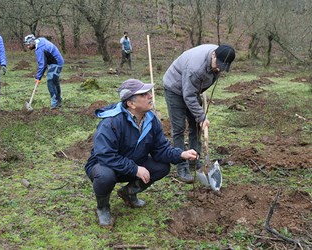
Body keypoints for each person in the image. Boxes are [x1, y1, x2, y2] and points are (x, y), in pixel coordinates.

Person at [84, 79, 199, 226]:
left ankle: (128, 193)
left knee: (162, 167)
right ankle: (103, 207)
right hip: (104, 165)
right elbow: (105, 155)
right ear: (131, 104)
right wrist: (135, 169)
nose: (150, 96)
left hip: (132, 162)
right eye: (144, 94)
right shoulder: (111, 122)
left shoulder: (151, 120)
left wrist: (180, 154)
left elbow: (160, 150)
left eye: (148, 93)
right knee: (105, 176)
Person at [163, 44, 235, 183]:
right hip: (174, 87)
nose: (219, 68)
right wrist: (201, 116)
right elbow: (188, 95)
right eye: (218, 64)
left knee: (196, 126)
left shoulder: (221, 57)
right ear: (213, 55)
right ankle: (182, 164)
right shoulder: (195, 68)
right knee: (178, 128)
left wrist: (199, 116)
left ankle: (194, 160)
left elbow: (194, 91)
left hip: (192, 89)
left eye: (223, 66)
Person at [24, 34, 64, 109]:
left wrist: (38, 77)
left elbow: (42, 65)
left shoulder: (39, 49)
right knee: (55, 82)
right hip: (58, 61)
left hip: (56, 63)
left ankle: (54, 104)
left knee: (50, 82)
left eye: (29, 45)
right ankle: (58, 100)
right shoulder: (40, 40)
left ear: (32, 42)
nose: (28, 47)